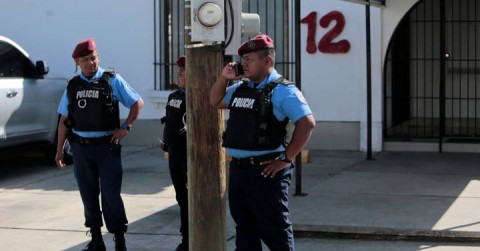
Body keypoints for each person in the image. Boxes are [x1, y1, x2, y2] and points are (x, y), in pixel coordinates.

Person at [210, 34, 316, 251]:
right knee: (245, 229)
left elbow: (307, 123)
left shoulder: (283, 90)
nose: (243, 64)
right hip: (239, 171)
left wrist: (286, 158)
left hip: (266, 172)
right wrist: (224, 78)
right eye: (243, 59)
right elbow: (216, 101)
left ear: (267, 61)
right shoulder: (241, 88)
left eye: (249, 59)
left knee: (274, 230)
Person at [55, 38, 144, 251]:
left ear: (98, 57)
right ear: (77, 62)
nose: (90, 63)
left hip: (107, 147)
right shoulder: (72, 85)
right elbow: (63, 121)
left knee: (111, 195)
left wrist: (126, 128)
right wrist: (59, 150)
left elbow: (137, 103)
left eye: (93, 58)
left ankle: (119, 240)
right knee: (88, 193)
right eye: (85, 60)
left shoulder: (112, 80)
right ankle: (96, 239)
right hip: (81, 148)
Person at [159, 55, 189, 251]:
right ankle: (185, 237)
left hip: (190, 155)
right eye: (178, 73)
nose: (178, 76)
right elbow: (169, 121)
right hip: (175, 153)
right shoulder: (175, 96)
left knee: (190, 198)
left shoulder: (199, 97)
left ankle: (190, 240)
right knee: (181, 197)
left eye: (183, 73)